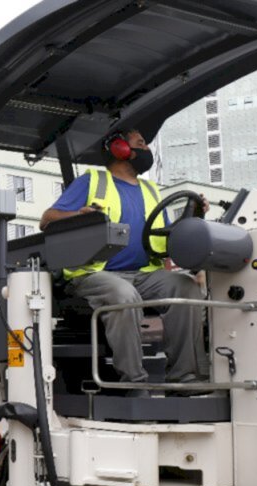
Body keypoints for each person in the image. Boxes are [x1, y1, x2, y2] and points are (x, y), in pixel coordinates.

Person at [40, 129, 209, 397]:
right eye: (141, 143)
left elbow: (164, 240)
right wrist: (77, 215)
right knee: (123, 294)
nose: (146, 149)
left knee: (186, 288)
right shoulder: (92, 181)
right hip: (95, 274)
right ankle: (134, 382)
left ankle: (184, 378)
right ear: (118, 148)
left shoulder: (152, 191)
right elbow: (47, 219)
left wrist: (195, 217)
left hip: (144, 274)